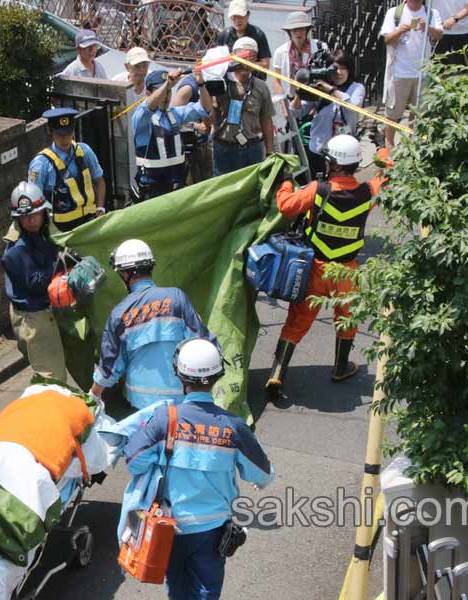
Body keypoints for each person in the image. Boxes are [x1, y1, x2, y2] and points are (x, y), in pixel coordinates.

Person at [120, 338, 273, 600]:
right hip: (211, 533)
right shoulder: (233, 428)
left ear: (179, 374)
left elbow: (133, 462)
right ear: (218, 375)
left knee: (177, 588)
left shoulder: (164, 420)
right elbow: (263, 474)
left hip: (169, 528)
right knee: (206, 591)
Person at [265, 135, 392, 406]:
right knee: (346, 318)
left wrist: (286, 182)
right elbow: (388, 173)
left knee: (297, 321)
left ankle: (276, 375)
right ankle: (340, 367)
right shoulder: (369, 192)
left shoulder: (317, 189)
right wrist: (382, 147)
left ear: (332, 164)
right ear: (356, 163)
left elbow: (285, 206)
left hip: (316, 270)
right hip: (347, 273)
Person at [90, 239, 217, 411]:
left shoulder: (120, 314)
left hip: (141, 405)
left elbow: (110, 368)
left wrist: (93, 395)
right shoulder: (177, 299)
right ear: (150, 267)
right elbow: (203, 343)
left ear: (125, 275)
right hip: (181, 399)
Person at [1, 181, 68, 382]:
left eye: (34, 214)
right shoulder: (16, 250)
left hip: (47, 313)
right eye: (24, 217)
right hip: (34, 319)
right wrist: (59, 262)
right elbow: (36, 282)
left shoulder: (42, 234)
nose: (30, 220)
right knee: (51, 378)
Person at [131, 68, 213, 201]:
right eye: (162, 91)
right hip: (153, 195)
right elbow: (148, 107)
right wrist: (168, 84)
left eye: (169, 91)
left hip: (177, 191)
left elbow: (205, 108)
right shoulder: (141, 118)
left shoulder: (174, 114)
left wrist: (201, 85)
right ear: (148, 93)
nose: (166, 96)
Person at [28, 107, 107, 231]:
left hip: (90, 223)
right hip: (61, 230)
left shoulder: (84, 151)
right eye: (60, 135)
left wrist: (100, 207)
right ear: (51, 131)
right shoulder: (41, 164)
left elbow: (99, 181)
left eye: (68, 133)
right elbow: (33, 200)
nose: (65, 139)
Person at [289, 50, 365, 178]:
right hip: (319, 150)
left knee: (339, 190)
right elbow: (297, 112)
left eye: (343, 68)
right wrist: (299, 91)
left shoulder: (356, 88)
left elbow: (352, 106)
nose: (339, 73)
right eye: (335, 68)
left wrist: (330, 89)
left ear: (349, 70)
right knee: (318, 190)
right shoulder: (319, 87)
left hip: (343, 152)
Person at [380, 0, 443, 149]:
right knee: (393, 113)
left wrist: (428, 27)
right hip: (399, 71)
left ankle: (412, 145)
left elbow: (439, 35)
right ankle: (389, 146)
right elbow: (387, 39)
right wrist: (400, 30)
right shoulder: (394, 13)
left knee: (418, 114)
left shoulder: (431, 13)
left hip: (422, 72)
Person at [210, 37, 275, 176]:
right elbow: (208, 111)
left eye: (251, 58)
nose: (247, 62)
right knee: (224, 192)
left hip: (252, 149)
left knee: (253, 191)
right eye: (243, 57)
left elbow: (266, 120)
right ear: (233, 57)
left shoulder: (261, 87)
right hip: (224, 149)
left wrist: (270, 151)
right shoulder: (220, 82)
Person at [170, 68, 214, 185]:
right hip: (188, 145)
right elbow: (171, 119)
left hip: (204, 143)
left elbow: (208, 110)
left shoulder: (214, 83)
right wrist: (195, 125)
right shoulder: (188, 88)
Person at [270, 11, 330, 97]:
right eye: (294, 30)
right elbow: (276, 81)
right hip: (291, 99)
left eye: (302, 29)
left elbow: (328, 77)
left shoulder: (321, 47)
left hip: (316, 99)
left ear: (307, 30)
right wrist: (283, 104)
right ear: (289, 32)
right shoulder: (280, 52)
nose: (298, 33)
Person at [215, 0, 272, 78]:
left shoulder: (258, 34)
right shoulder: (224, 35)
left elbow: (266, 64)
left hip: (254, 81)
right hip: (230, 81)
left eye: (240, 16)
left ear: (248, 15)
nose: (237, 21)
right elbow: (216, 61)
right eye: (234, 17)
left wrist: (248, 65)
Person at [435, 0, 468, 65]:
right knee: (437, 67)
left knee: (462, 67)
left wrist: (454, 19)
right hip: (438, 31)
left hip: (462, 32)